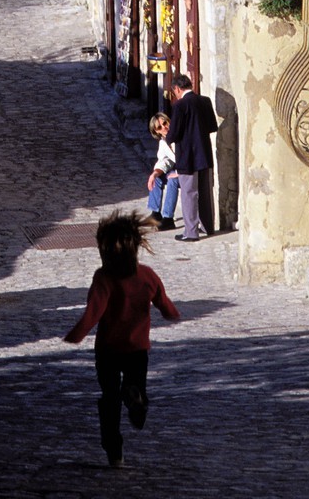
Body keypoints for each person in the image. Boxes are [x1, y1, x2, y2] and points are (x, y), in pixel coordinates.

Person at [63, 210, 181, 469]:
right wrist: (173, 313)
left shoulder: (103, 278)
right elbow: (164, 303)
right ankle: (135, 397)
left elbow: (93, 313)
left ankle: (114, 450)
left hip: (107, 350)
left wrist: (75, 335)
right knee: (136, 385)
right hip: (137, 348)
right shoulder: (147, 275)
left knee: (109, 397)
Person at [165, 73, 219, 242]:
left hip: (187, 155)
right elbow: (212, 126)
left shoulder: (180, 106)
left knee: (189, 193)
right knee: (205, 192)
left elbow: (174, 133)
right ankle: (208, 227)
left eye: (175, 92)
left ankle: (191, 231)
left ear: (178, 89)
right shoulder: (205, 101)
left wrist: (167, 139)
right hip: (204, 152)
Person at [146, 112, 178, 229]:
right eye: (160, 127)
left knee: (172, 181)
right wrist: (154, 174)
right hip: (176, 169)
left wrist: (177, 173)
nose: (164, 128)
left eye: (165, 123)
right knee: (157, 178)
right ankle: (155, 213)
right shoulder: (163, 143)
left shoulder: (177, 135)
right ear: (157, 132)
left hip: (186, 170)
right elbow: (164, 161)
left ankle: (168, 218)